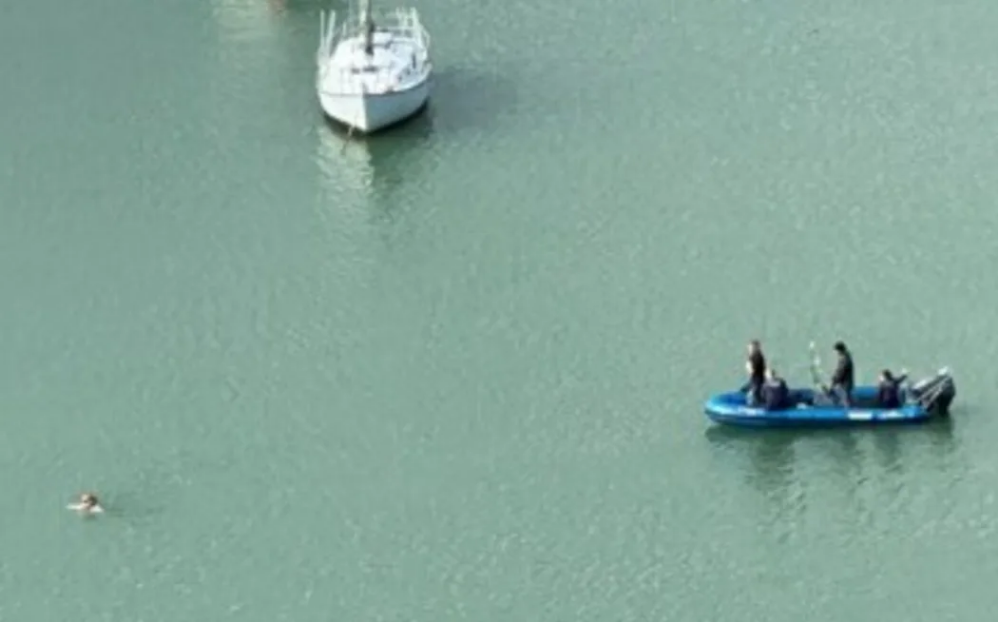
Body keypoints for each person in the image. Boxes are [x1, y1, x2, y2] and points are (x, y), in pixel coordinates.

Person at [740, 340, 766, 405]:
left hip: (757, 380)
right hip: (754, 380)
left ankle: (756, 405)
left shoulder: (757, 357)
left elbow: (752, 371)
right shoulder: (752, 357)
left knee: (755, 395)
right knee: (743, 390)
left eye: (751, 348)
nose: (749, 350)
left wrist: (748, 366)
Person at [829, 341, 854, 406]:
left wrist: (834, 380)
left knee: (845, 401)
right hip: (846, 385)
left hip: (844, 385)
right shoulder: (847, 357)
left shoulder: (844, 359)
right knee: (846, 399)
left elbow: (840, 372)